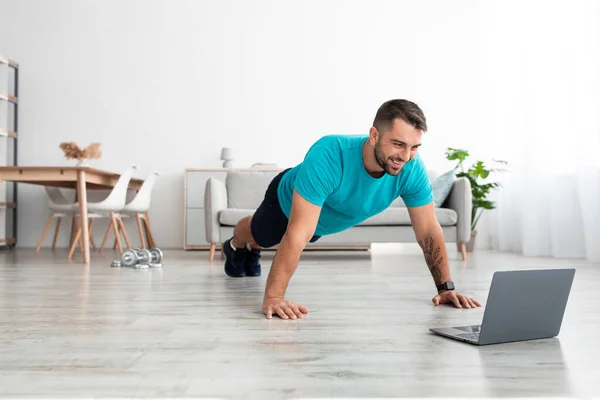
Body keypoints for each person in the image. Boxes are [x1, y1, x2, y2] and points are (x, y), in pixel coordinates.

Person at [222, 99, 481, 319]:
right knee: (262, 236)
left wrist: (445, 287)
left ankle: (251, 248)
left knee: (296, 235)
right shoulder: (330, 154)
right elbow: (297, 233)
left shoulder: (411, 169)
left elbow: (427, 230)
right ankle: (236, 243)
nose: (405, 156)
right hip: (287, 202)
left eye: (414, 147)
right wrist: (274, 297)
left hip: (321, 220)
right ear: (374, 135)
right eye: (398, 144)